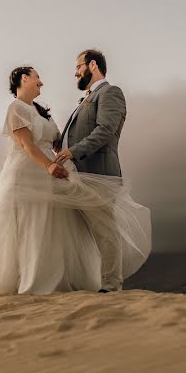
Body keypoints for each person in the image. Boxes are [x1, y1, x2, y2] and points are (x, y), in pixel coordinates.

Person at [0, 65, 150, 298]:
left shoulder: (40, 111)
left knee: (55, 222)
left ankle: (75, 278)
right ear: (24, 78)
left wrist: (64, 155)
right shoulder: (16, 108)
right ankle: (32, 280)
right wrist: (49, 165)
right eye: (37, 77)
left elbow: (60, 140)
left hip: (53, 171)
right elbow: (27, 145)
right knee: (32, 222)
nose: (41, 82)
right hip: (28, 172)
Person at [54, 49, 128, 291]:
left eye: (78, 66)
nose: (75, 72)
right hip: (78, 175)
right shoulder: (86, 98)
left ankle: (111, 285)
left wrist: (73, 151)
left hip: (99, 174)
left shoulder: (110, 93)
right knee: (78, 231)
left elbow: (105, 130)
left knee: (105, 229)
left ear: (92, 65)